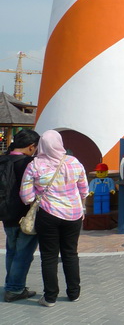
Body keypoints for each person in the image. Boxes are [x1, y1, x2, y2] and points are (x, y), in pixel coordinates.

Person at [20, 130, 89, 307]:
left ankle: (50, 297)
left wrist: (37, 195)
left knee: (49, 256)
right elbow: (84, 190)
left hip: (47, 214)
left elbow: (26, 196)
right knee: (70, 253)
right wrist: (80, 204)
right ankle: (74, 293)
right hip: (74, 214)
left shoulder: (35, 165)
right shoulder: (74, 162)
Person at [2, 129, 40, 303]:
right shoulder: (28, 163)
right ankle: (15, 289)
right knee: (23, 253)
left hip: (6, 214)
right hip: (26, 216)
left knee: (11, 251)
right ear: (31, 146)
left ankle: (11, 284)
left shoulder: (3, 159)